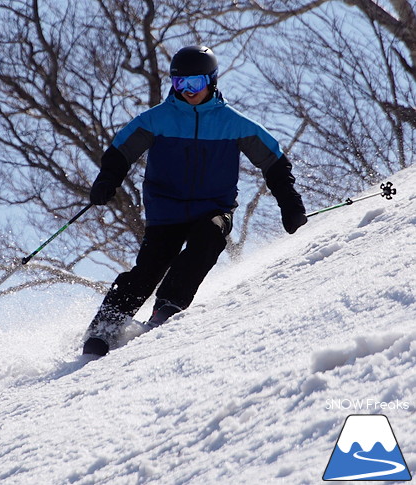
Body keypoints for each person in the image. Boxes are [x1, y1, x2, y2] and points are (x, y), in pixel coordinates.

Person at [82, 45, 308, 356]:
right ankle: (103, 330)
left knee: (209, 237)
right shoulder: (157, 119)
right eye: (180, 84)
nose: (188, 91)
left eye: (196, 83)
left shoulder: (233, 123)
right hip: (166, 210)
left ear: (212, 82)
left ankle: (169, 305)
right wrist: (107, 181)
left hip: (213, 207)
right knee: (148, 270)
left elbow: (274, 161)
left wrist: (290, 203)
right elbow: (121, 151)